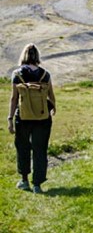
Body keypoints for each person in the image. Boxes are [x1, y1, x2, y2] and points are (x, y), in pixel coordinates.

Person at [7, 44, 56, 194]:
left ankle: (24, 181)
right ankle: (37, 185)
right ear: (37, 56)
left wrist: (10, 119)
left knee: (23, 148)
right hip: (42, 118)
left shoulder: (17, 74)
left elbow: (14, 99)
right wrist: (52, 109)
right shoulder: (45, 75)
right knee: (40, 149)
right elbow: (51, 96)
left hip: (23, 117)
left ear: (24, 55)